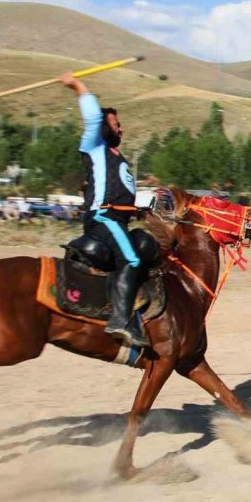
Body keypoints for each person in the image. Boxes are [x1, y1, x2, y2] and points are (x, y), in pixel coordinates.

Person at [61, 71, 158, 347]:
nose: (121, 129)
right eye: (116, 124)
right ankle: (120, 320)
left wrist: (137, 211)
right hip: (104, 219)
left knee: (146, 244)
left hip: (119, 219)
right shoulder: (95, 146)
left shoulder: (118, 158)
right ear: (104, 127)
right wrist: (77, 85)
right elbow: (92, 117)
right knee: (132, 259)